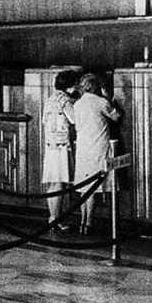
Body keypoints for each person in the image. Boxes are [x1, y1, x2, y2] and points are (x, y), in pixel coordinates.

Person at [71, 72, 123, 233]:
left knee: (84, 187)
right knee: (93, 187)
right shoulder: (101, 102)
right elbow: (117, 117)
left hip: (82, 148)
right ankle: (89, 224)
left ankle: (82, 222)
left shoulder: (77, 104)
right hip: (98, 147)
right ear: (96, 87)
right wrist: (110, 98)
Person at [40, 69, 81, 229]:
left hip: (51, 146)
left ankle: (53, 217)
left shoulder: (50, 99)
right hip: (63, 146)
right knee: (60, 183)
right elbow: (75, 119)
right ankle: (55, 219)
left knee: (53, 182)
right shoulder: (65, 100)